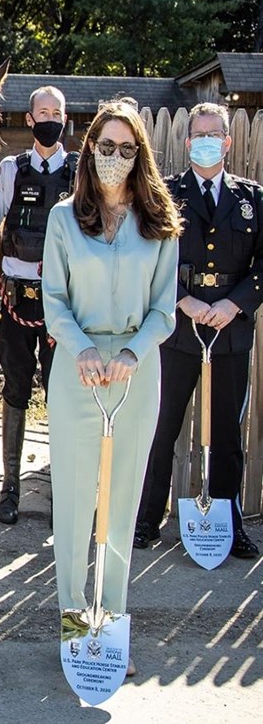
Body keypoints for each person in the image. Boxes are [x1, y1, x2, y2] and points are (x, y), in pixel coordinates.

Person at [42, 98, 180, 676]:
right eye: (105, 146)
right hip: (78, 374)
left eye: (127, 149)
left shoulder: (160, 224)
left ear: (139, 155)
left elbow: (165, 308)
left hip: (135, 371)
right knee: (75, 506)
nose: (114, 158)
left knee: (121, 504)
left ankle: (112, 628)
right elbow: (54, 304)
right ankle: (76, 625)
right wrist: (84, 353)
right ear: (89, 147)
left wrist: (130, 351)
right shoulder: (64, 218)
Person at [135, 102, 262, 559]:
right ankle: (147, 520)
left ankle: (228, 527)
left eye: (214, 133)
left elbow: (262, 265)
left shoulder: (252, 198)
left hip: (229, 331)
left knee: (228, 434)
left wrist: (235, 304)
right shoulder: (166, 194)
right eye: (198, 133)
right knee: (162, 427)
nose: (206, 140)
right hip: (177, 330)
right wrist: (182, 301)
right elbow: (147, 258)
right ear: (188, 142)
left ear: (227, 142)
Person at [0, 86, 78, 524]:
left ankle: (61, 489)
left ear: (64, 119)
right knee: (16, 388)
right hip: (17, 297)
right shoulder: (12, 171)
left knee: (62, 395)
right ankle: (10, 487)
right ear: (30, 120)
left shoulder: (79, 174)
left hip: (63, 304)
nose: (50, 118)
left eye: (57, 112)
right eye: (42, 112)